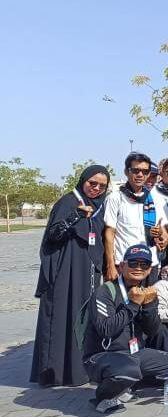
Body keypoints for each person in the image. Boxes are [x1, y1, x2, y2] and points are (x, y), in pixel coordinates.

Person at [81, 244, 168, 414]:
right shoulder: (105, 292)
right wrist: (133, 304)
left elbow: (153, 331)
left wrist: (148, 306)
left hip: (135, 353)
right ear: (122, 266)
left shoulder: (146, 292)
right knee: (127, 371)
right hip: (103, 355)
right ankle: (103, 397)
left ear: (149, 270)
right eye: (133, 263)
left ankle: (126, 386)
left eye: (144, 264)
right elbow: (106, 329)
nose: (139, 268)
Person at [31, 164, 110, 386]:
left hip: (86, 271)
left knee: (82, 316)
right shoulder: (68, 202)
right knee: (62, 316)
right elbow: (53, 235)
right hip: (66, 271)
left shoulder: (98, 205)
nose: (96, 188)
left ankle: (79, 370)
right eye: (92, 183)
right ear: (83, 180)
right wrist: (76, 215)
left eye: (102, 186)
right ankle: (56, 374)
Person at [103, 152, 168, 280]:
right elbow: (109, 233)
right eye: (135, 170)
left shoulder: (156, 199)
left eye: (145, 172)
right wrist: (110, 265)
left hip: (150, 263)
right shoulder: (115, 198)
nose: (140, 175)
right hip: (125, 264)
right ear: (126, 172)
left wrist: (162, 236)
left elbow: (164, 234)